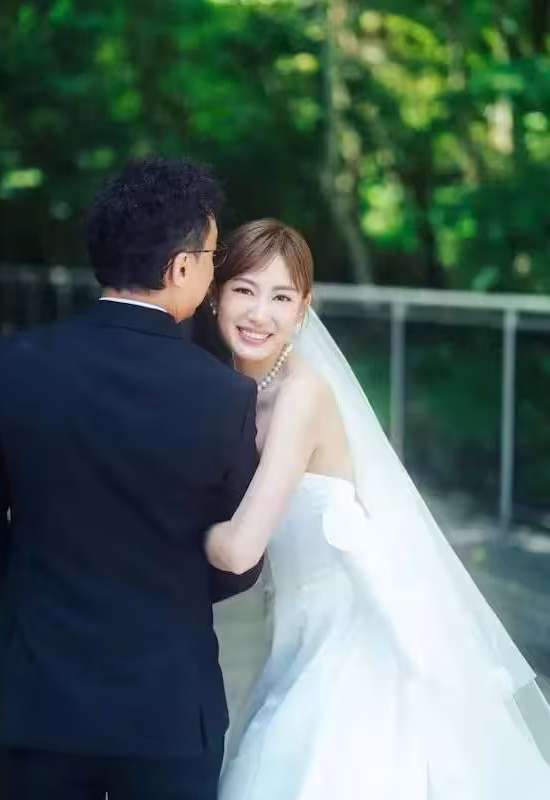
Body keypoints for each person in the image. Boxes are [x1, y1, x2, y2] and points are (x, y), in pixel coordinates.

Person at [0, 157, 262, 800]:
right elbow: (240, 563)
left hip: (37, 697)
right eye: (212, 256)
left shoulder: (14, 364)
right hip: (169, 706)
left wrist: (42, 584)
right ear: (181, 268)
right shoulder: (224, 395)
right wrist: (164, 592)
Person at [205, 218, 550, 799]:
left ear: (303, 309)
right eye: (245, 289)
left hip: (349, 634)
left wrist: (166, 527)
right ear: (216, 293)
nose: (259, 313)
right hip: (295, 630)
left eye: (282, 297)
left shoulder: (301, 397)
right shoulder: (239, 391)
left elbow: (240, 547)